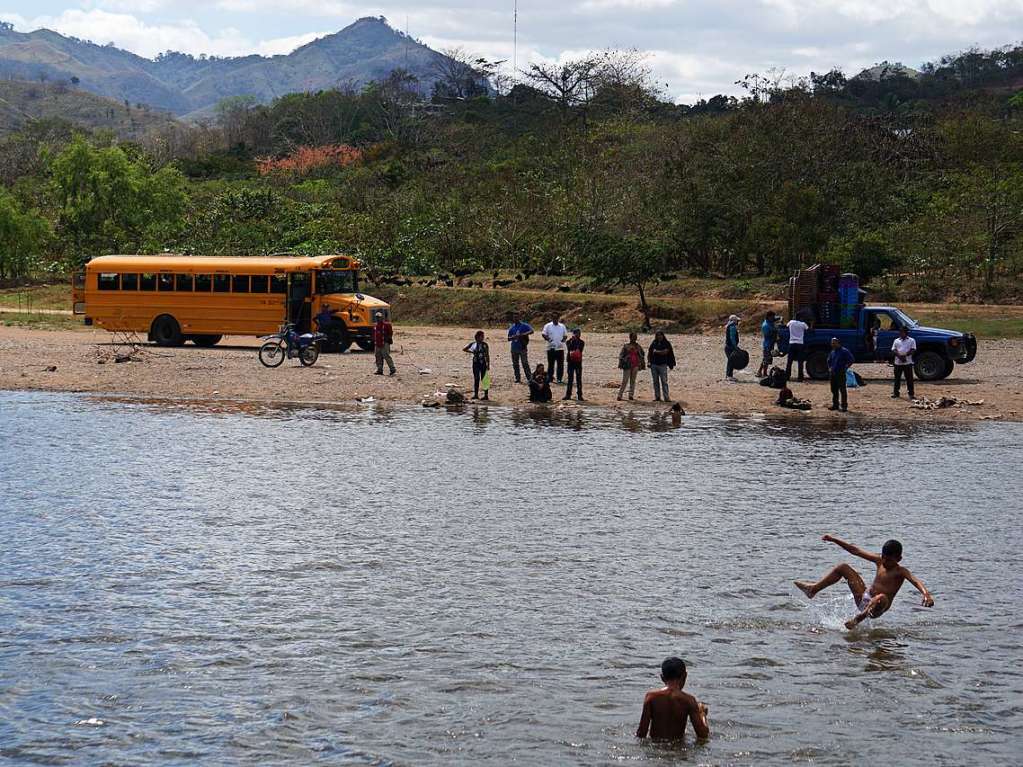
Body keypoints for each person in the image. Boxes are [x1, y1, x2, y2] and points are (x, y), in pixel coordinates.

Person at [795, 535, 935, 630]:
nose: (885, 562)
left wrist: (926, 594)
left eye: (889, 560)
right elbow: (854, 550)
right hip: (864, 598)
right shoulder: (880, 560)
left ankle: (857, 619)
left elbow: (915, 581)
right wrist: (834, 539)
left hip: (878, 607)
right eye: (884, 558)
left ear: (899, 559)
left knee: (881, 597)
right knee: (843, 567)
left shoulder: (901, 571)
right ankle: (813, 590)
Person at [636, 657, 710, 741]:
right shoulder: (689, 700)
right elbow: (703, 735)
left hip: (656, 747)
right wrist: (702, 714)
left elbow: (641, 733)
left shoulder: (651, 697)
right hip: (678, 749)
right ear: (685, 676)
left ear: (662, 677)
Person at [647, 331, 676, 402]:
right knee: (655, 382)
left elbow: (665, 352)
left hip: (663, 365)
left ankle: (666, 397)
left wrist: (656, 351)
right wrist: (648, 361)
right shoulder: (654, 343)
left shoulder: (666, 343)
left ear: (663, 336)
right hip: (654, 364)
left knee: (664, 381)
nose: (659, 337)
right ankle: (657, 397)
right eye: (658, 335)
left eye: (660, 335)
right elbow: (650, 352)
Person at [827, 337, 854, 412]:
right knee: (834, 390)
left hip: (840, 373)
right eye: (832, 343)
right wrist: (829, 368)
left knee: (842, 390)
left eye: (834, 343)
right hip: (833, 373)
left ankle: (844, 406)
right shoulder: (833, 351)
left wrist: (845, 368)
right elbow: (829, 360)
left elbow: (851, 360)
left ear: (838, 343)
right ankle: (835, 405)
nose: (832, 344)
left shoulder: (844, 351)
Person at [462, 330, 490, 400]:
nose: (483, 338)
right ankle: (476, 395)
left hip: (483, 363)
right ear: (477, 337)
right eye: (481, 336)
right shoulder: (473, 344)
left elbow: (487, 355)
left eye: (483, 336)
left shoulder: (485, 345)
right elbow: (464, 349)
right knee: (476, 379)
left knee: (485, 379)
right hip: (475, 363)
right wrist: (472, 352)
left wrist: (488, 364)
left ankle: (486, 395)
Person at [617, 332, 646, 401]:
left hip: (635, 365)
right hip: (627, 365)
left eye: (635, 337)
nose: (635, 338)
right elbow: (621, 356)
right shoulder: (626, 346)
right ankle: (620, 395)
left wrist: (641, 362)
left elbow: (642, 354)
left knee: (633, 381)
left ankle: (631, 395)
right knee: (625, 381)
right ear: (630, 337)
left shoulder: (638, 346)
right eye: (633, 337)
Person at [507, 314, 534, 384]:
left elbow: (531, 331)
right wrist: (513, 337)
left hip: (522, 347)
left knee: (525, 363)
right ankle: (517, 378)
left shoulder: (524, 325)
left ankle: (530, 378)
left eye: (517, 317)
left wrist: (523, 334)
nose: (515, 318)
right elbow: (508, 338)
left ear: (519, 317)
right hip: (514, 347)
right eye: (514, 317)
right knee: (515, 364)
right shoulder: (512, 327)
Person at [891, 325, 917, 399]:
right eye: (900, 332)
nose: (901, 333)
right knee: (897, 379)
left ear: (906, 333)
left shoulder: (911, 340)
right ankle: (896, 393)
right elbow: (893, 349)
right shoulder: (896, 340)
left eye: (902, 332)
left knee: (909, 379)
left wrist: (905, 355)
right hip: (898, 362)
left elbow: (913, 349)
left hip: (907, 362)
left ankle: (911, 394)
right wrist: (899, 356)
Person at [541, 314, 568, 384]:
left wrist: (563, 340)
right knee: (551, 364)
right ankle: (550, 378)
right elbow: (543, 334)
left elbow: (565, 335)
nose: (555, 319)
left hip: (560, 348)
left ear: (558, 318)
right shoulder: (547, 326)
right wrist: (548, 339)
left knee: (560, 365)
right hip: (551, 348)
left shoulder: (562, 326)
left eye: (556, 318)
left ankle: (559, 379)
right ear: (552, 318)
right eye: (554, 318)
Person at [785, 315, 809, 382]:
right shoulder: (803, 324)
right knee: (800, 362)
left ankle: (787, 376)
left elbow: (786, 326)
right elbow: (808, 329)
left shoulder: (791, 322)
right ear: (800, 318)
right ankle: (800, 378)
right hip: (800, 344)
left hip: (792, 343)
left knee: (789, 361)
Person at [372, 311, 396, 376]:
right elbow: (374, 334)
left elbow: (390, 333)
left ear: (381, 317)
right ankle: (379, 370)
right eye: (376, 317)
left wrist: (388, 339)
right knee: (378, 356)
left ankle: (392, 369)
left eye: (379, 317)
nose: (377, 319)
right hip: (377, 344)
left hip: (384, 343)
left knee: (386, 356)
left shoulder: (387, 325)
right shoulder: (375, 325)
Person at [564, 328, 585, 401]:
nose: (579, 335)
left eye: (579, 333)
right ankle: (568, 395)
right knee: (570, 379)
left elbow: (580, 349)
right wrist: (573, 340)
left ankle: (580, 395)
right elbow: (569, 348)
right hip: (570, 362)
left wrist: (575, 341)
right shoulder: (569, 341)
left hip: (578, 362)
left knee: (578, 379)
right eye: (577, 333)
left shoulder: (582, 342)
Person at [757, 312, 778, 378]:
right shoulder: (766, 325)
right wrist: (775, 331)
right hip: (768, 344)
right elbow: (768, 335)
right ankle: (761, 372)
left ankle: (762, 372)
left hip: (770, 343)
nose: (773, 318)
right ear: (769, 317)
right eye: (772, 317)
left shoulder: (769, 322)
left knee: (766, 359)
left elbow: (776, 319)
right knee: (766, 359)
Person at [724, 315, 740, 381]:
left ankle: (728, 375)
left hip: (728, 346)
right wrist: (735, 347)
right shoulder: (732, 327)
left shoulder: (729, 326)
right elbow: (732, 338)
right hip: (730, 347)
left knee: (730, 361)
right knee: (731, 361)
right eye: (737, 321)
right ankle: (729, 376)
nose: (738, 322)